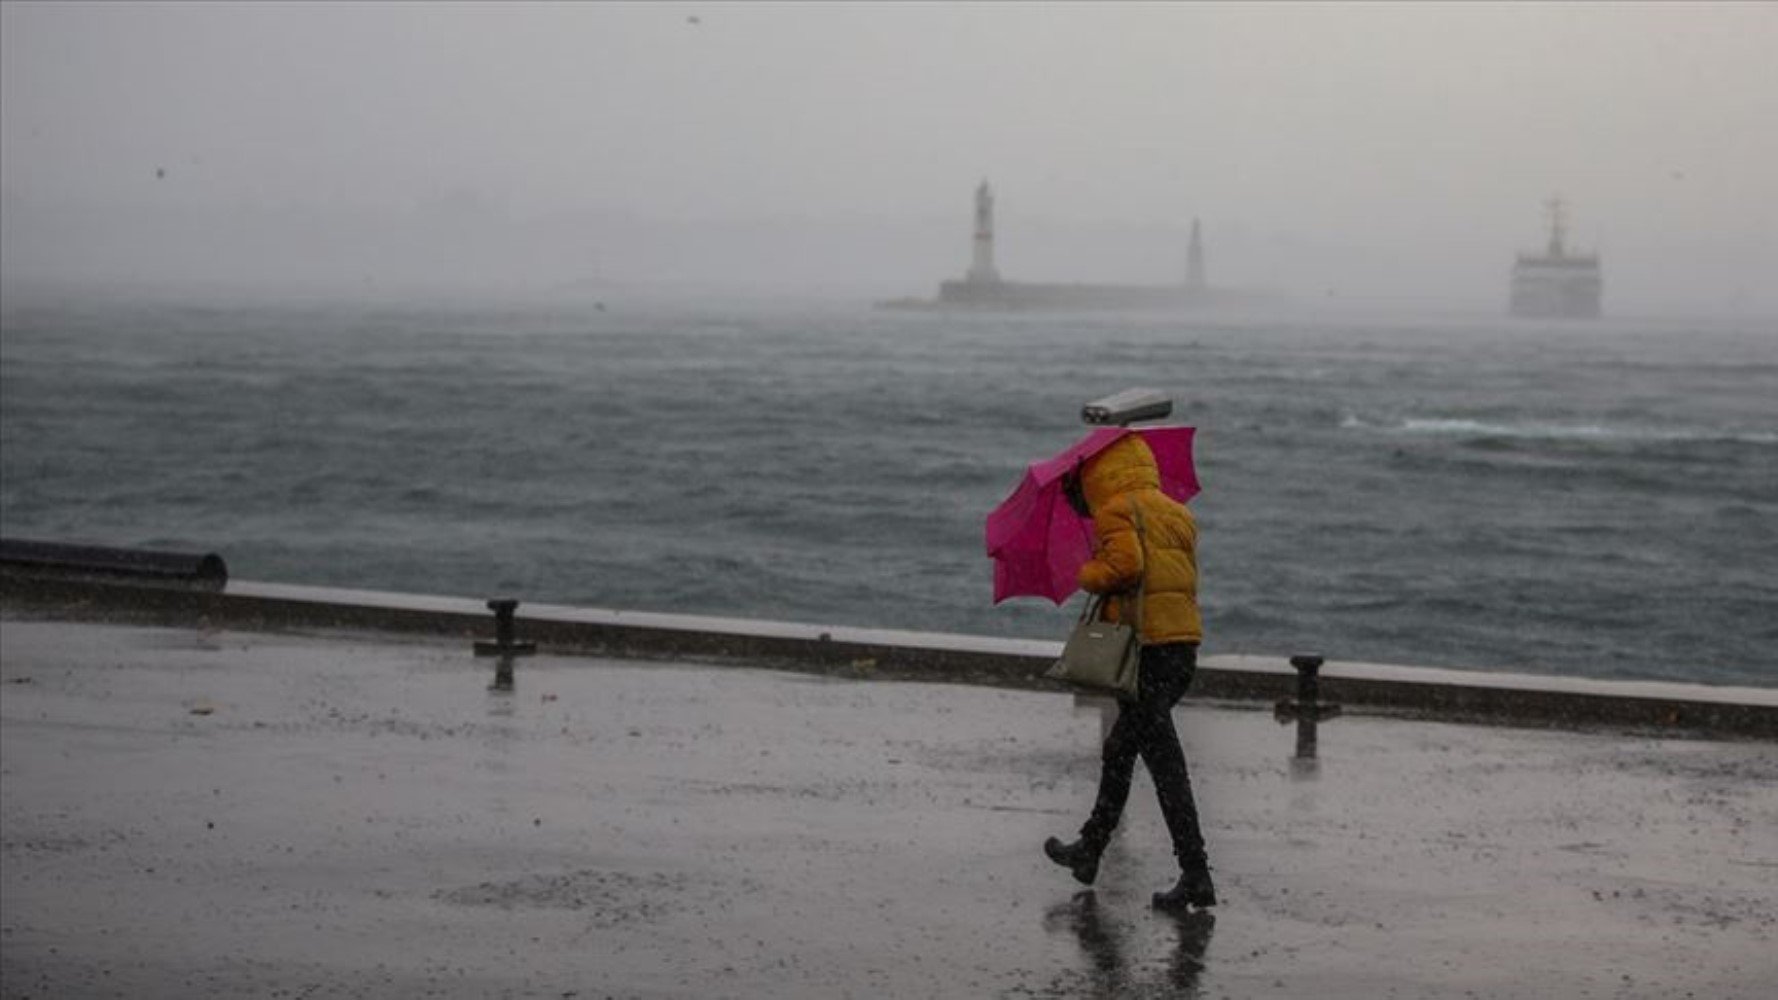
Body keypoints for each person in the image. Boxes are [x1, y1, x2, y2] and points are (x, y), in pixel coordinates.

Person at [1044, 433, 1216, 910]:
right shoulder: (1176, 511)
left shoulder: (1117, 510)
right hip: (1181, 648)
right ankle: (1090, 849)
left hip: (1146, 652)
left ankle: (1196, 873)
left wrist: (1088, 573)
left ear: (1100, 474)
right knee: (1121, 749)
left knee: (1165, 766)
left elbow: (1126, 566)